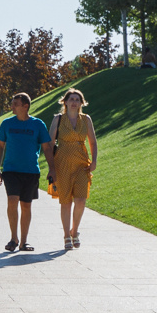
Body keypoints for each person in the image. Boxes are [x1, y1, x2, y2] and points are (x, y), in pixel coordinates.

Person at [0, 92, 50, 253]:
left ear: (25, 106)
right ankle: (13, 238)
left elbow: (47, 147)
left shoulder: (38, 124)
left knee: (26, 205)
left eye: (15, 104)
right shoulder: (6, 124)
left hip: (31, 171)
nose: (12, 106)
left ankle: (24, 242)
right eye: (12, 103)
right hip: (10, 170)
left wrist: (52, 169)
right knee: (12, 200)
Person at [48, 89, 98, 250]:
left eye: (77, 99)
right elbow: (49, 144)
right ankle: (66, 235)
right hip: (62, 163)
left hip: (82, 164)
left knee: (81, 200)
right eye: (71, 99)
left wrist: (94, 160)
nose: (74, 102)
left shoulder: (86, 119)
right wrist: (51, 167)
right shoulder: (58, 119)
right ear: (65, 102)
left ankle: (74, 231)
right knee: (66, 201)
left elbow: (93, 142)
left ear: (81, 103)